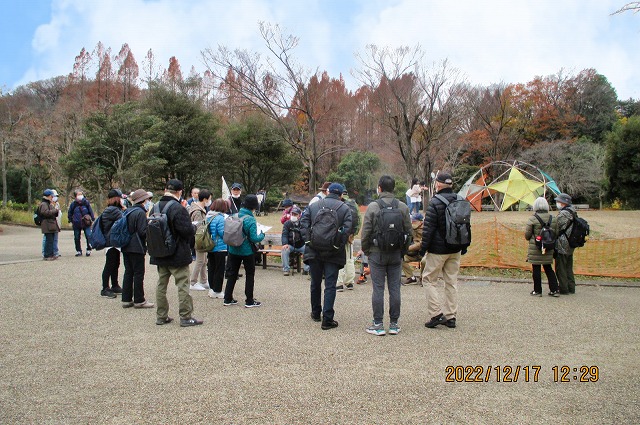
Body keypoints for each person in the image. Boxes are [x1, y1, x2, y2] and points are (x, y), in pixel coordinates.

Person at [361, 175, 412, 336]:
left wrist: (367, 251)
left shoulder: (373, 207)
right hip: (396, 253)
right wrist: (402, 251)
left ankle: (378, 324)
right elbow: (409, 233)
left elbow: (366, 233)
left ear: (380, 188)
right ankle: (394, 324)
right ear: (393, 188)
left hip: (377, 253)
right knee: (395, 288)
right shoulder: (402, 207)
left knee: (378, 288)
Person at [300, 182, 352, 330]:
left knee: (315, 283)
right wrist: (338, 244)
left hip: (314, 250)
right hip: (333, 252)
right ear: (341, 194)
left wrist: (309, 240)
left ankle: (316, 312)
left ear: (327, 191)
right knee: (330, 285)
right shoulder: (344, 208)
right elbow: (348, 229)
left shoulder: (315, 205)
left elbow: (303, 223)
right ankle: (327, 319)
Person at [151, 179, 202, 327]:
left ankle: (161, 316)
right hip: (177, 253)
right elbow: (186, 231)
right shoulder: (177, 208)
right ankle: (185, 316)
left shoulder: (154, 207)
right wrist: (193, 228)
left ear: (166, 189)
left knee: (161, 285)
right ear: (179, 192)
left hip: (159, 252)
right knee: (182, 285)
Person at [421, 172, 465, 329]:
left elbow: (428, 229)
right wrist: (464, 246)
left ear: (438, 185)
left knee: (428, 279)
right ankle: (451, 316)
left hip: (438, 250)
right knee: (451, 281)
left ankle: (436, 314)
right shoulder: (460, 200)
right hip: (456, 247)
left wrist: (423, 249)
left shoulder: (435, 202)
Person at [223, 194, 265, 308]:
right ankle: (249, 300)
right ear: (254, 207)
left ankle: (227, 298)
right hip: (246, 251)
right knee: (250, 275)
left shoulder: (234, 215)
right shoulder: (250, 220)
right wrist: (262, 234)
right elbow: (254, 238)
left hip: (233, 249)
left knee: (232, 274)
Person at [121, 189, 155, 309]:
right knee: (138, 273)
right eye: (147, 200)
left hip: (126, 245)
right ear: (143, 200)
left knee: (128, 272)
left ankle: (126, 299)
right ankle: (139, 299)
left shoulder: (128, 211)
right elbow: (142, 231)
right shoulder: (140, 213)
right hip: (137, 246)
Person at [525, 196, 560, 297]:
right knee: (548, 268)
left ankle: (537, 290)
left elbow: (527, 235)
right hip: (548, 247)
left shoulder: (532, 219)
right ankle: (554, 289)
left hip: (536, 247)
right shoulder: (553, 218)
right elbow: (556, 233)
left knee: (536, 269)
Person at [99, 189, 125, 298]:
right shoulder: (113, 210)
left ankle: (115, 284)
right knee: (110, 264)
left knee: (116, 263)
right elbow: (123, 220)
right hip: (111, 241)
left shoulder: (113, 209)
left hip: (113, 241)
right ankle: (105, 287)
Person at [336, 189, 361, 291]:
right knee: (349, 259)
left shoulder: (338, 204)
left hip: (340, 235)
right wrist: (353, 234)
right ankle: (350, 282)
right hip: (350, 236)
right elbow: (359, 220)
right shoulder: (353, 204)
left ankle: (339, 283)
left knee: (338, 258)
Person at [188, 189, 211, 291]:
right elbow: (198, 227)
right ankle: (193, 282)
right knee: (200, 260)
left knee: (204, 260)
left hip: (202, 238)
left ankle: (203, 280)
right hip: (199, 238)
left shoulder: (200, 209)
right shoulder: (197, 211)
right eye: (209, 199)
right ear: (205, 199)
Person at [554, 193, 577, 295]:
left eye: (558, 201)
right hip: (571, 242)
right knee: (568, 266)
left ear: (563, 203)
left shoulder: (564, 214)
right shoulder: (573, 212)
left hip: (563, 243)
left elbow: (556, 226)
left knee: (561, 267)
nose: (557, 203)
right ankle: (571, 287)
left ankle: (563, 288)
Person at [206, 199, 228, 299]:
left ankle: (211, 288)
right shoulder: (220, 218)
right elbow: (222, 233)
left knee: (211, 268)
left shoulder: (209, 216)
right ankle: (217, 290)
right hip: (220, 247)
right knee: (219, 269)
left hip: (210, 246)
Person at [281, 206, 309, 276]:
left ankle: (306, 269)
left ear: (299, 216)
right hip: (290, 245)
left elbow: (306, 234)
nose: (293, 216)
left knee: (309, 250)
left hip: (301, 245)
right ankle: (286, 269)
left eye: (295, 214)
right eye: (292, 214)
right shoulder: (287, 224)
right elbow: (284, 234)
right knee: (284, 250)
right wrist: (285, 243)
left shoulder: (302, 224)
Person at [67, 189, 95, 257]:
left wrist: (92, 218)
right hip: (76, 223)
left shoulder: (86, 203)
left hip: (86, 222)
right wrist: (71, 220)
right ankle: (78, 250)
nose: (80, 196)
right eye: (78, 194)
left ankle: (89, 249)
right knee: (76, 237)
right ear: (75, 196)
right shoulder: (73, 204)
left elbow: (90, 211)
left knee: (88, 235)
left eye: (81, 194)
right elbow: (70, 212)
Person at [402, 213, 424, 285]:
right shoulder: (411, 229)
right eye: (412, 221)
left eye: (414, 221)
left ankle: (423, 278)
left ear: (421, 222)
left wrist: (407, 249)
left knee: (425, 261)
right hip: (413, 253)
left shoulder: (426, 229)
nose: (412, 223)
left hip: (424, 253)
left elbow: (420, 244)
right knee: (400, 258)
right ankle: (411, 277)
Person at [38, 189, 60, 261]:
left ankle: (51, 254)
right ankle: (47, 255)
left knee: (51, 240)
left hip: (51, 224)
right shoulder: (44, 204)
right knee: (48, 240)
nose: (52, 197)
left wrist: (55, 211)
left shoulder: (49, 203)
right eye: (51, 196)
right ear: (49, 196)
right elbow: (45, 212)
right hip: (47, 224)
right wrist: (54, 211)